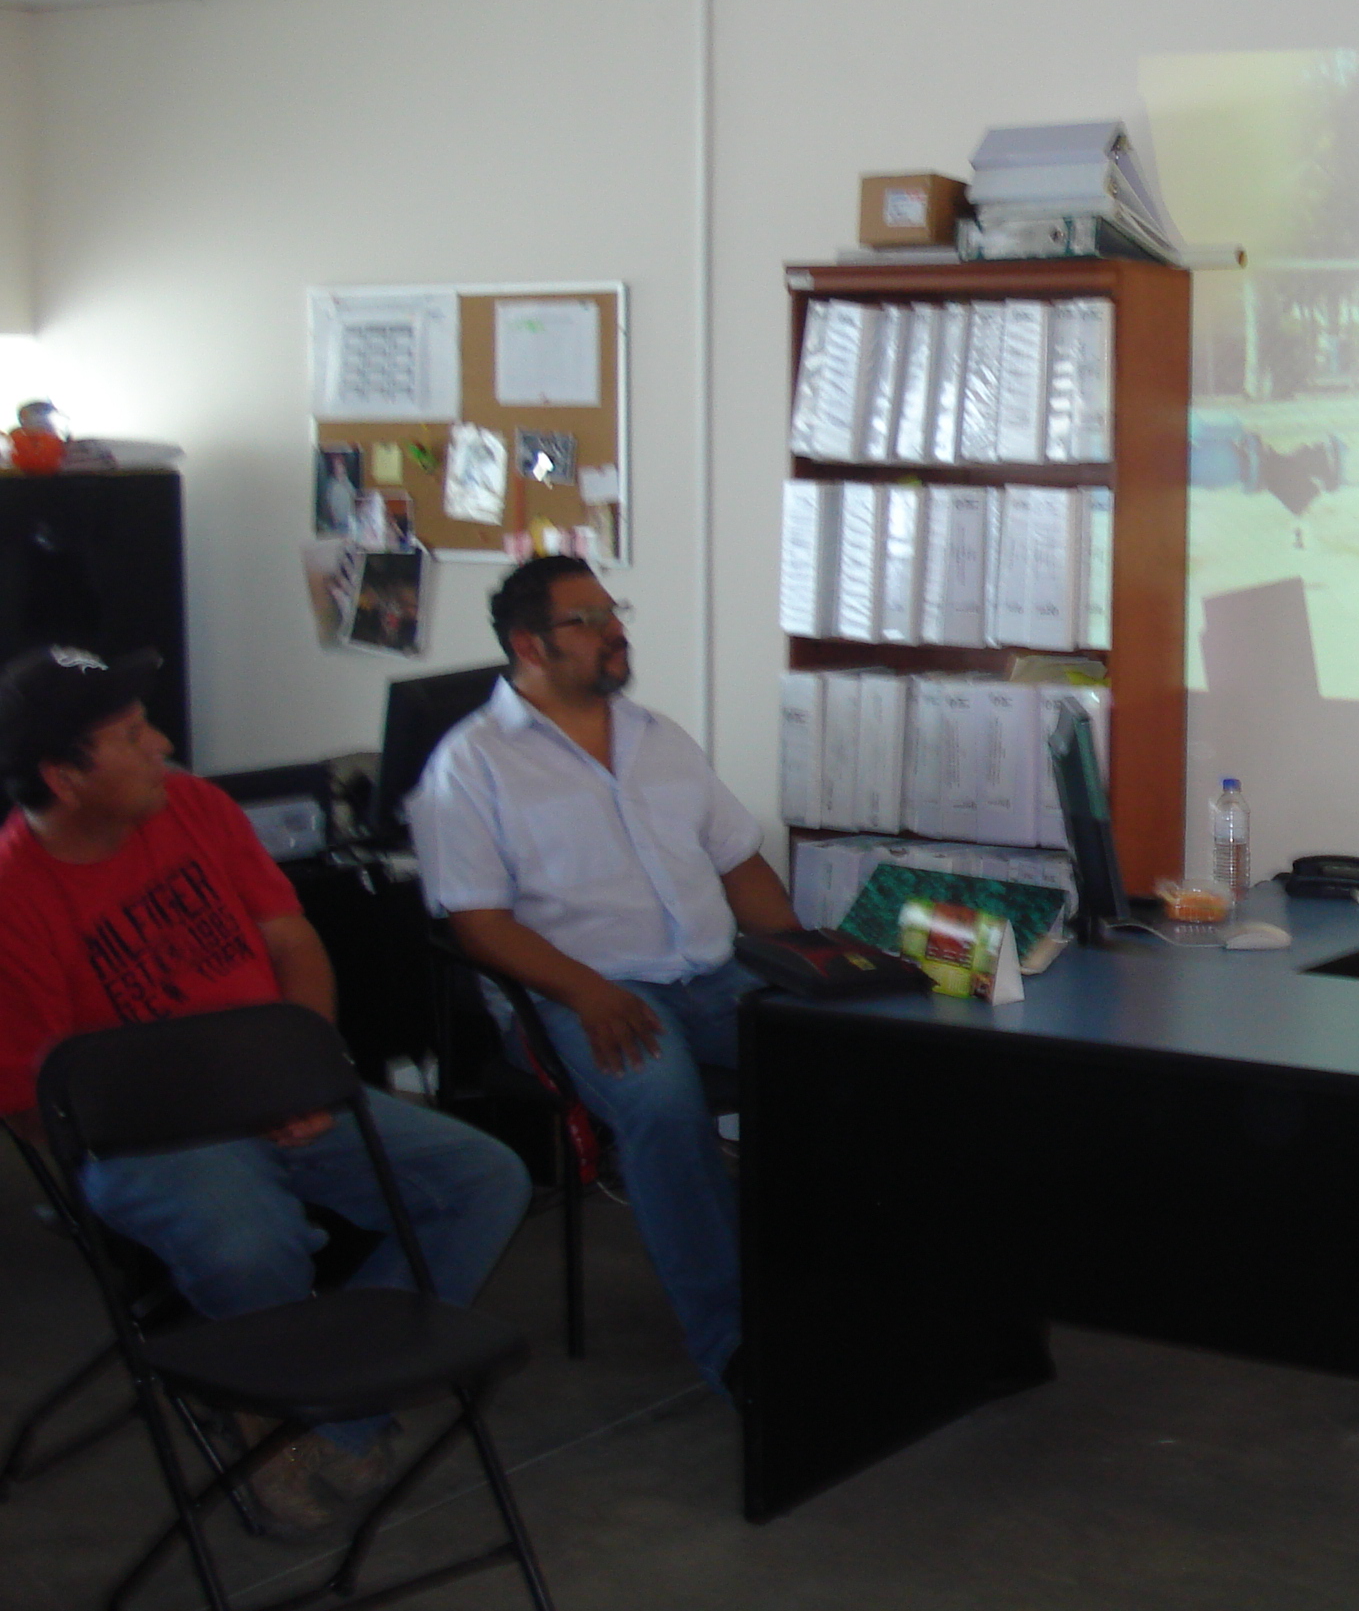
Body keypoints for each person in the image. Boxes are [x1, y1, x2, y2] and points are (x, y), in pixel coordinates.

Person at [0, 645, 531, 1538]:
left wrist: (304, 1069)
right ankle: (280, 1400)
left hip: (276, 1082)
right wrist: (192, 1117)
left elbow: (294, 943)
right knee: (254, 1245)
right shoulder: (15, 893)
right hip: (145, 1134)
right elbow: (31, 1103)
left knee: (486, 1180)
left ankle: (316, 1415)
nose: (164, 743)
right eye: (133, 736)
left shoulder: (195, 807)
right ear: (65, 775)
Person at [410, 557, 798, 1400]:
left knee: (836, 1058)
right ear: (530, 645)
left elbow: (739, 861)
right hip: (575, 995)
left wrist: (815, 963)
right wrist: (588, 992)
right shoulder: (469, 767)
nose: (614, 631)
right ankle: (736, 1344)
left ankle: (823, 1291)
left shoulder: (659, 738)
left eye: (610, 611)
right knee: (663, 1108)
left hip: (710, 974)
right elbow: (478, 925)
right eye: (586, 619)